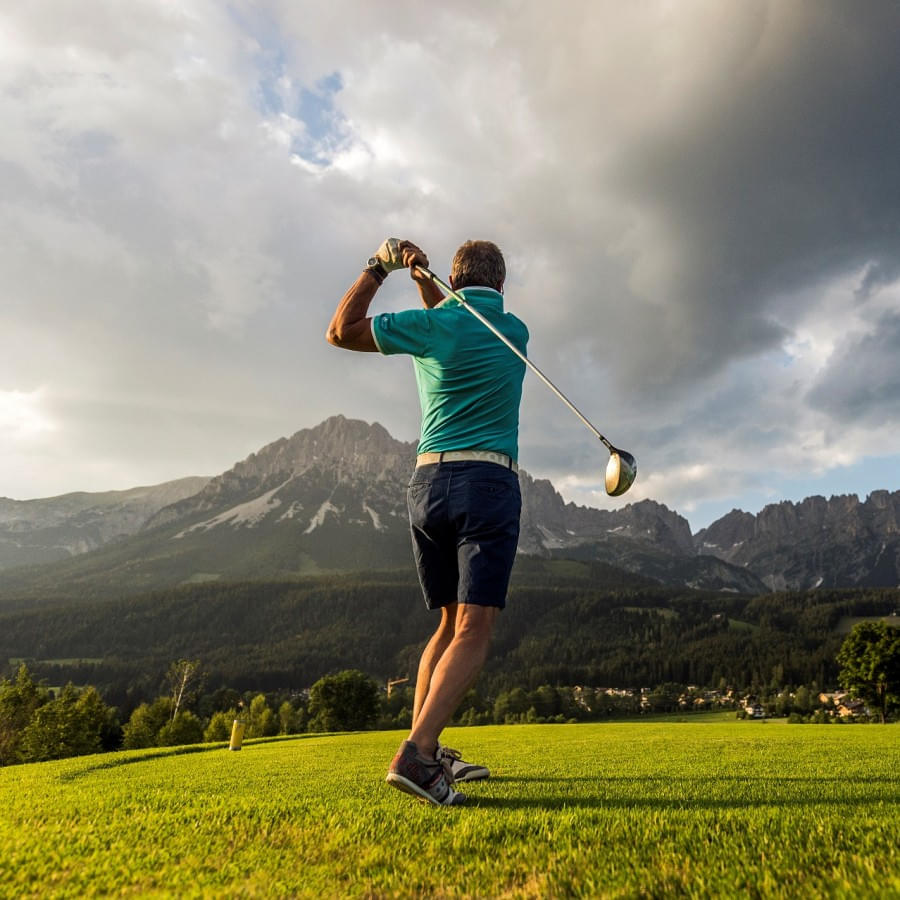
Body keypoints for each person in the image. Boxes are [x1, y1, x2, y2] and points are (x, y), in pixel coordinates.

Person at [326, 238, 528, 806]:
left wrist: (380, 268)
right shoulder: (514, 332)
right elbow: (453, 312)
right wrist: (422, 279)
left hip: (427, 486)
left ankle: (428, 750)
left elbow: (341, 331)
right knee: (474, 629)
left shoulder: (430, 325)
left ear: (453, 281)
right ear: (502, 287)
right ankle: (417, 754)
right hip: (487, 483)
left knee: (445, 625)